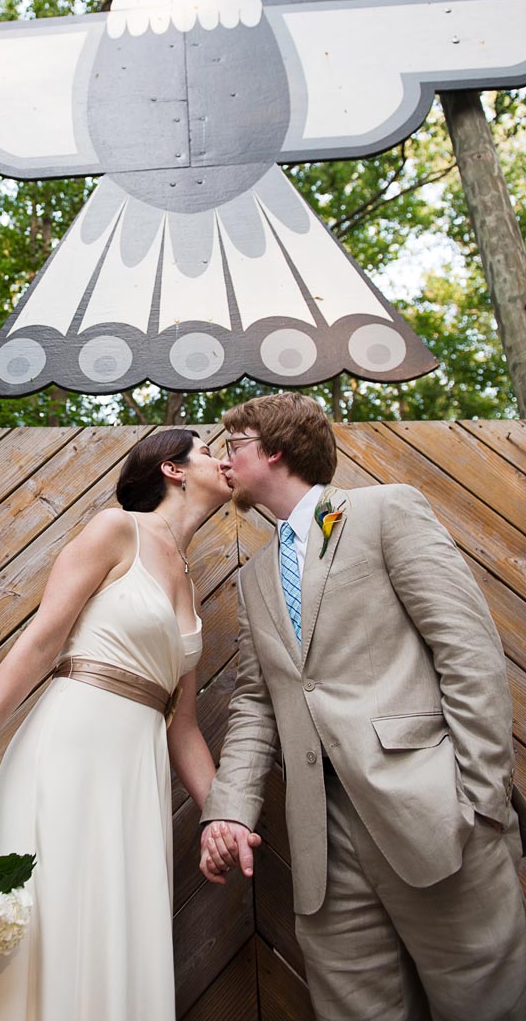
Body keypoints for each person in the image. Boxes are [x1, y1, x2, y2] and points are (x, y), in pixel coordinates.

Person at [200, 392, 526, 1021]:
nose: (223, 458)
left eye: (232, 443)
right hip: (321, 843)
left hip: (435, 816)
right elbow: (255, 702)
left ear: (273, 449)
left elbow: (468, 650)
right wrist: (231, 810)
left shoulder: (384, 511)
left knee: (487, 1006)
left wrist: (481, 800)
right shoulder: (258, 574)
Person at [0, 428, 231, 1020]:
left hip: (133, 785)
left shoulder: (193, 588)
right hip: (65, 757)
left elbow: (185, 726)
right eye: (208, 450)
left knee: (115, 939)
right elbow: (40, 643)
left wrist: (223, 815)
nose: (224, 460)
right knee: (49, 929)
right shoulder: (115, 530)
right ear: (172, 469)